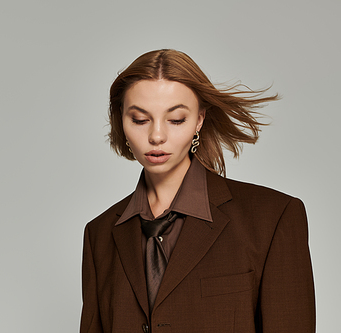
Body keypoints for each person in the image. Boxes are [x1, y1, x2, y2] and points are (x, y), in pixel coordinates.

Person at [80, 49, 315, 333]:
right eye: (140, 119)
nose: (156, 136)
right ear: (121, 120)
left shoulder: (273, 217)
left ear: (199, 119)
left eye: (176, 119)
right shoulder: (99, 234)